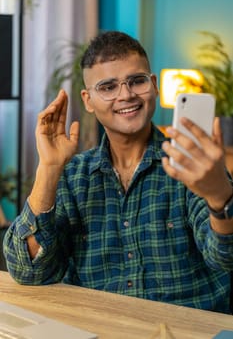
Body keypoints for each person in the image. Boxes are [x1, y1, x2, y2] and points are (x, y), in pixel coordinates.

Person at [3, 31, 233, 314]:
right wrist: (48, 169)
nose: (126, 95)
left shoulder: (193, 165)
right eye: (108, 87)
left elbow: (225, 257)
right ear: (88, 100)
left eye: (136, 81)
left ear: (154, 86)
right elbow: (28, 271)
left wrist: (219, 196)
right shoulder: (72, 176)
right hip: (99, 328)